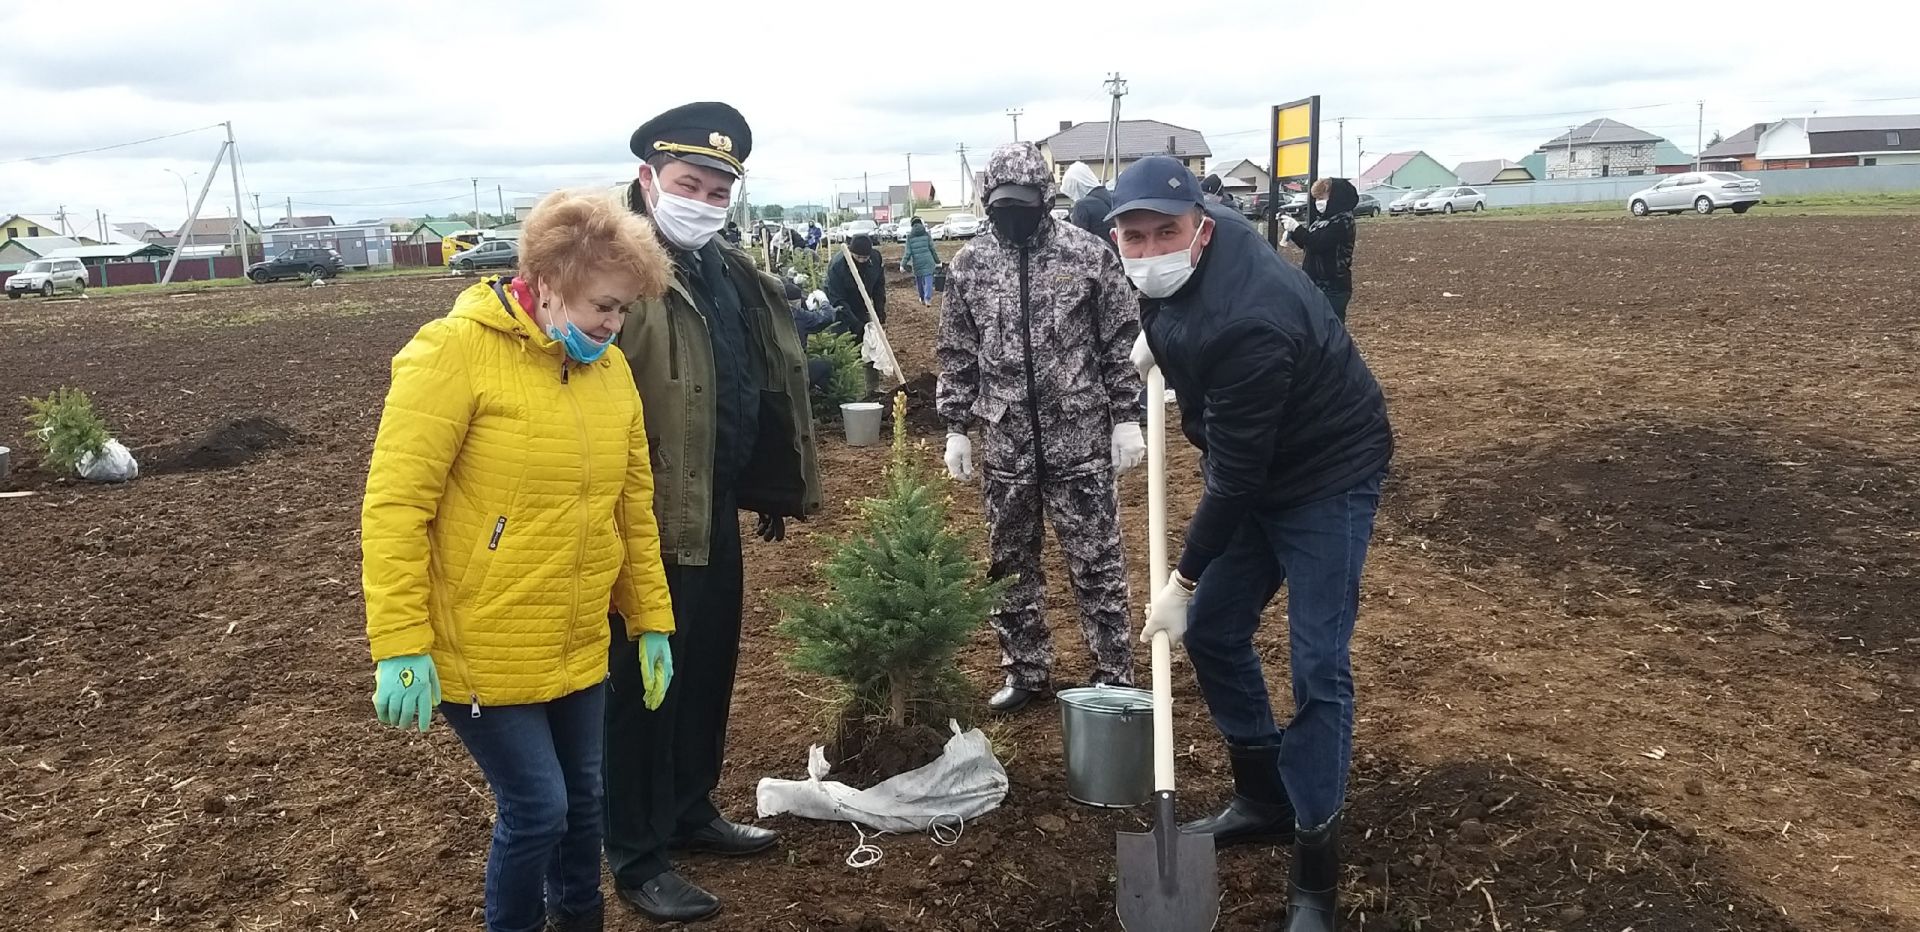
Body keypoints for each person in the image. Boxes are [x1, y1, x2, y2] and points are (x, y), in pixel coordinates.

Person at [361, 190, 677, 932]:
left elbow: (631, 505)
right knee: (539, 809)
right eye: (604, 306)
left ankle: (579, 921)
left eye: (625, 310)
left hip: (575, 637)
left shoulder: (611, 372)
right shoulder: (453, 352)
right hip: (483, 639)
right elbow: (396, 506)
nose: (614, 325)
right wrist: (401, 643)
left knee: (585, 804)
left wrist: (651, 618)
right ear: (544, 282)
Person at [1112, 156, 1392, 932]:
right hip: (1256, 460)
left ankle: (1315, 876)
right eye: (1133, 237)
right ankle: (1264, 795)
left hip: (1326, 473)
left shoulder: (1250, 320)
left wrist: (1183, 578)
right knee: (1216, 635)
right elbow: (1167, 304)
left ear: (1200, 228)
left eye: (1165, 232)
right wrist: (1159, 345)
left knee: (1317, 667)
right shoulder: (1189, 256)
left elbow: (1235, 483)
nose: (1149, 249)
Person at [609, 101, 822, 923]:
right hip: (641, 523)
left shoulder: (724, 269)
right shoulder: (618, 266)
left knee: (704, 675)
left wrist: (764, 483)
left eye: (717, 189)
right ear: (648, 179)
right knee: (640, 688)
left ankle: (690, 810)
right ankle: (634, 851)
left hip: (712, 510)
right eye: (687, 183)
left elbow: (748, 379)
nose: (702, 199)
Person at [936, 142, 1145, 713]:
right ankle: (1026, 671)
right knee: (1009, 562)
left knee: (1097, 559)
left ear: (1046, 198)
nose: (1014, 212)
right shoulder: (970, 265)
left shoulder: (1087, 256)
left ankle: (1114, 675)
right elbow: (958, 350)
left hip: (1078, 436)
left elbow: (1121, 342)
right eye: (1003, 204)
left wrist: (1127, 416)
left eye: (1024, 202)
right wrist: (956, 424)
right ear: (987, 202)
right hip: (1007, 442)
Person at [1283, 178, 1359, 323]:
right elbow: (1309, 246)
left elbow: (1317, 244)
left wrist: (1297, 228)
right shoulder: (1322, 221)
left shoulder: (1342, 221)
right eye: (1316, 199)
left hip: (1333, 287)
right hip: (1316, 284)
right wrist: (1293, 232)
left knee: (1331, 329)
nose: (1319, 202)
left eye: (1322, 198)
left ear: (1336, 197)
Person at [825, 233, 886, 334]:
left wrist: (879, 314)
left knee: (865, 336)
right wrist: (856, 324)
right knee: (846, 333)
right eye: (858, 257)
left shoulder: (875, 259)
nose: (862, 261)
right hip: (841, 306)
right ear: (851, 252)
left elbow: (879, 288)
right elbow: (837, 299)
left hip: (862, 302)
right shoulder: (837, 266)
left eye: (865, 257)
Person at [1060, 161, 1115, 251]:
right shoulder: (1112, 197)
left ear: (1077, 186)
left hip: (1098, 259)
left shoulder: (1082, 206)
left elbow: (1076, 242)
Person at [901, 216, 939, 306]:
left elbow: (908, 253)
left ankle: (922, 298)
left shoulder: (910, 237)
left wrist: (903, 264)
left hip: (917, 262)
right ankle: (928, 298)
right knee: (929, 279)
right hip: (928, 260)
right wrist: (938, 261)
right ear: (921, 224)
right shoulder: (926, 234)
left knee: (919, 281)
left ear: (912, 225)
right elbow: (932, 249)